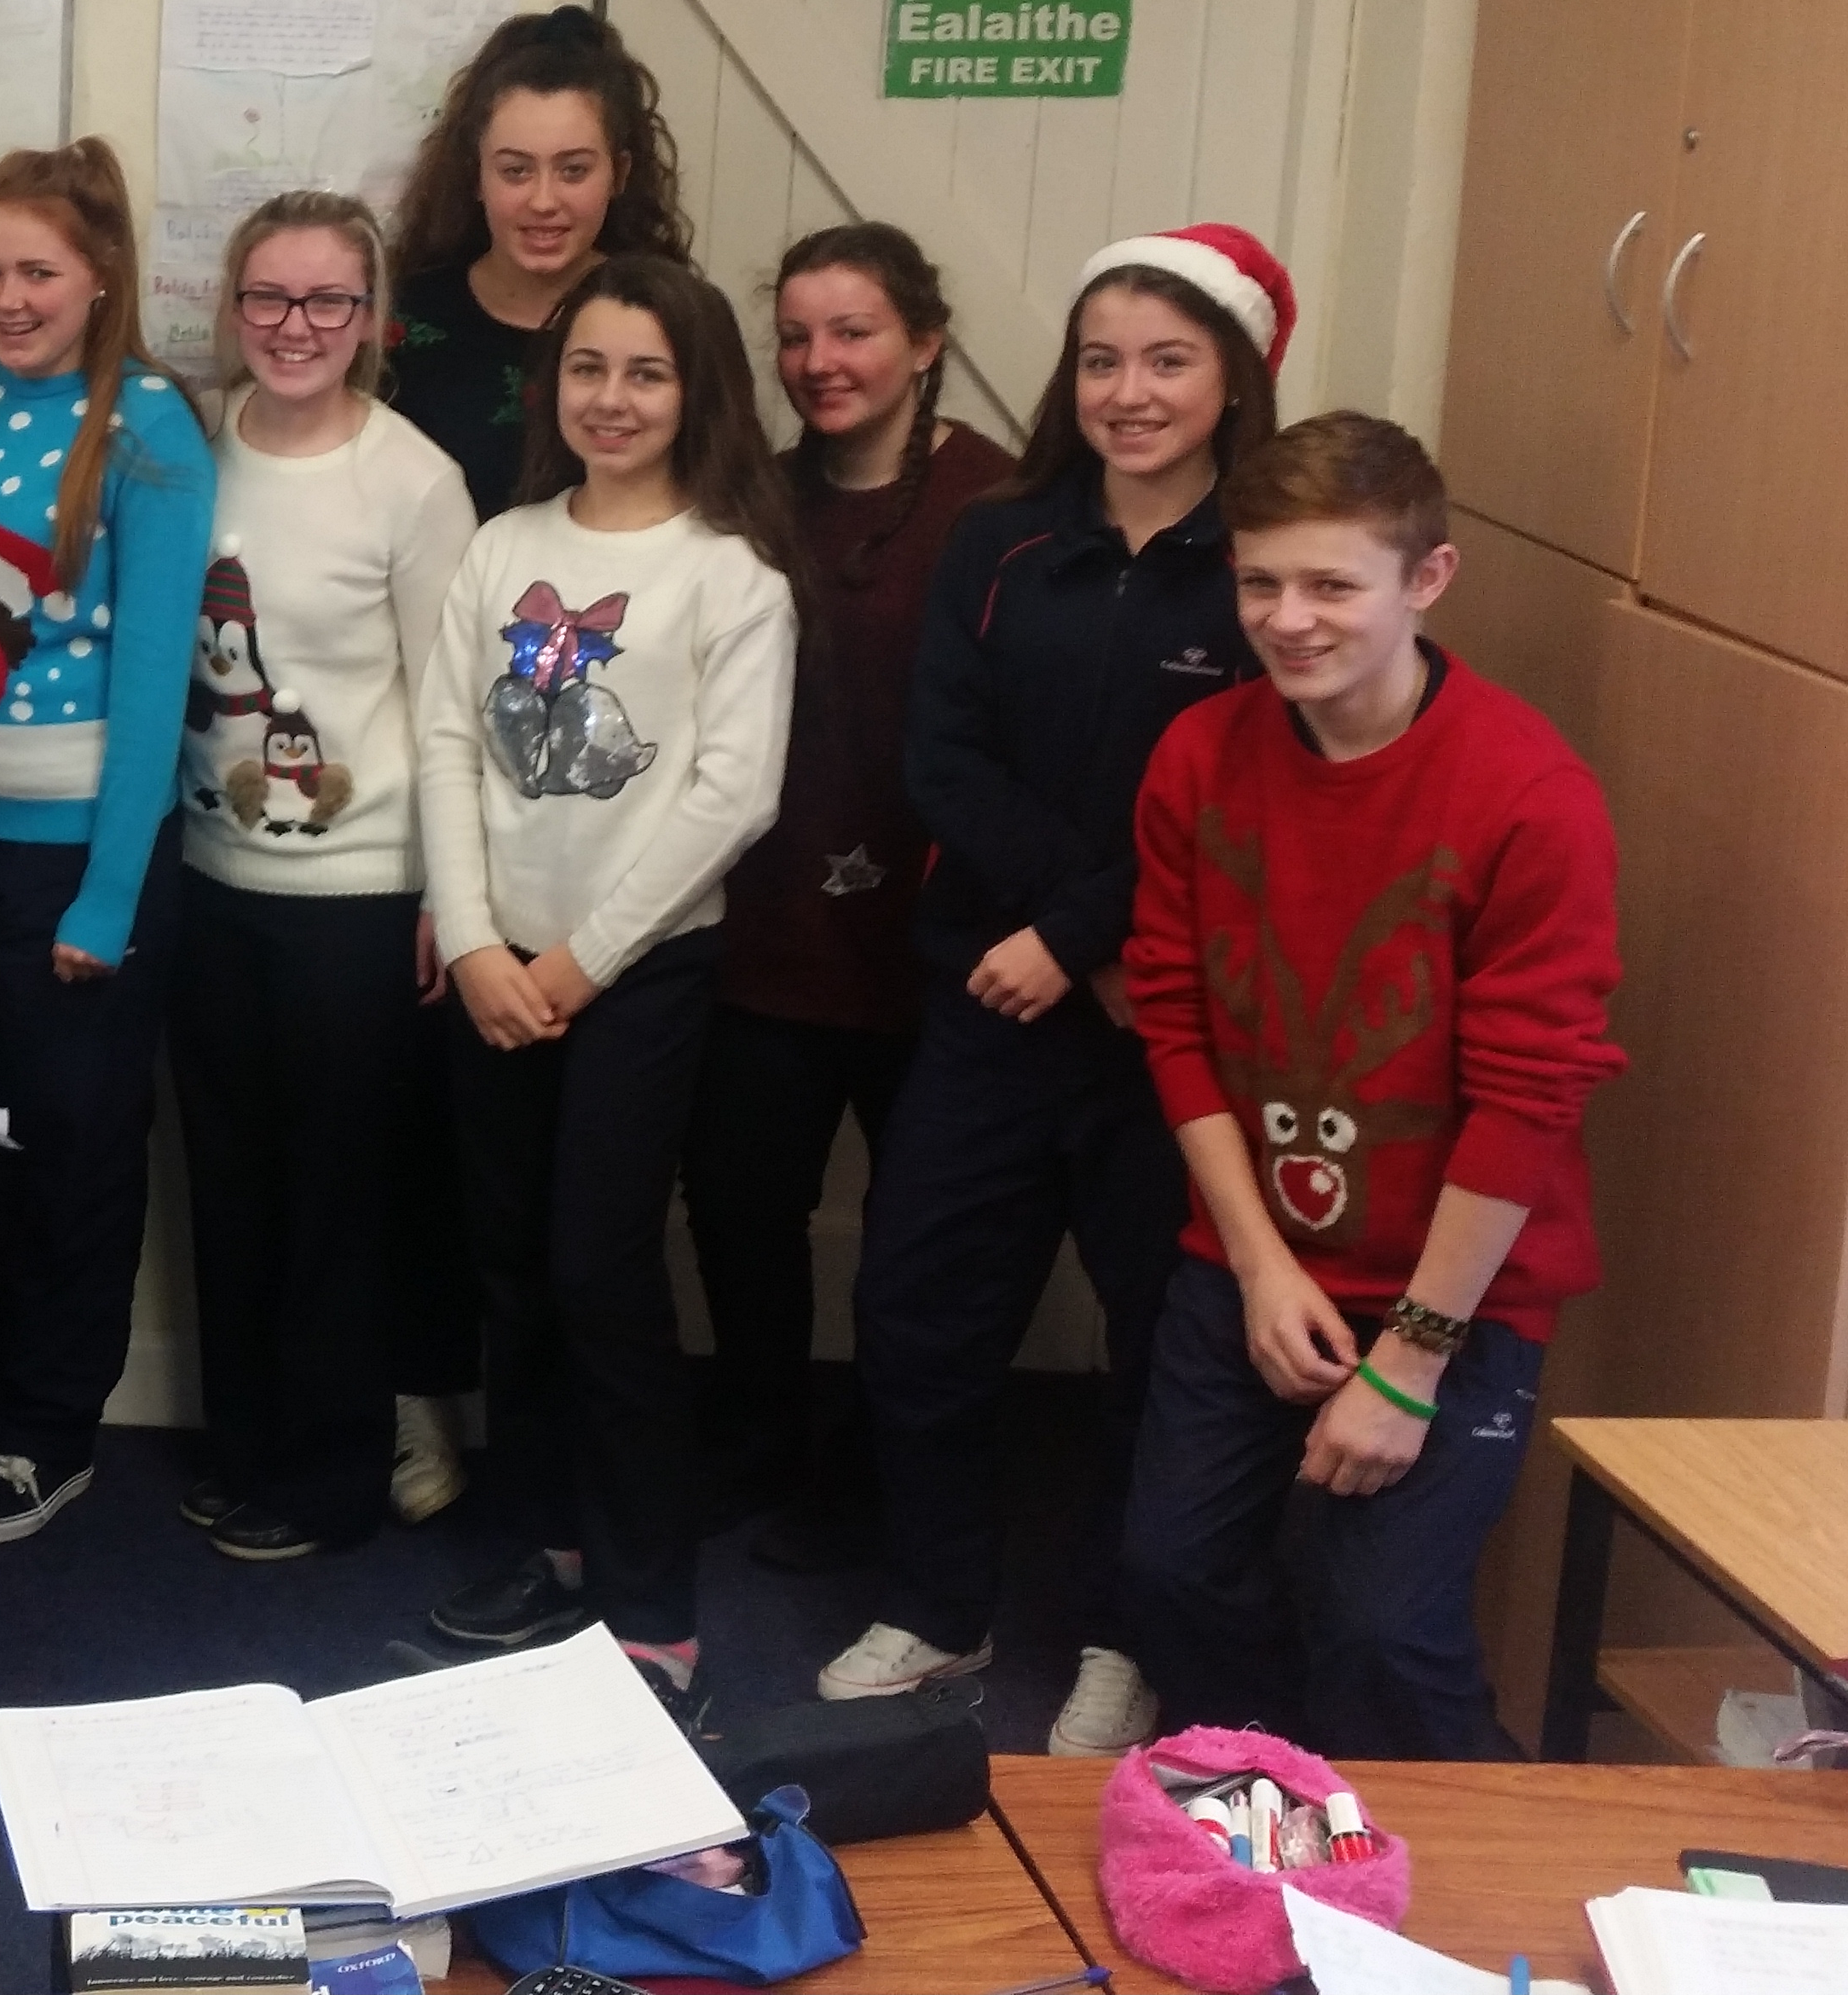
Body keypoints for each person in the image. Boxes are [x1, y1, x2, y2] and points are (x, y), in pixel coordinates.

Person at [824, 224, 1292, 1758]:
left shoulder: (1265, 565)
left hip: (1168, 1026)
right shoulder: (1002, 539)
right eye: (1101, 360)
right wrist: (1059, 933)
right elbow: (942, 758)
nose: (1128, 392)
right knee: (915, 1305)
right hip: (996, 993)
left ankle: (1122, 1640)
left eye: (1167, 361)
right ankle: (939, 1603)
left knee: (1157, 1341)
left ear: (1234, 380)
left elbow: (1239, 801)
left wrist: (1088, 936)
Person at [1120, 413, 1618, 1758]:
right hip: (1259, 1254)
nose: (1288, 620)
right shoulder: (1198, 756)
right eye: (1260, 582)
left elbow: (1530, 1098)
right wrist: (1256, 1265)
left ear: (1427, 579)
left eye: (1332, 584)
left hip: (1457, 1288)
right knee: (1171, 1576)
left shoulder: (1530, 792)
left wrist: (1410, 1363)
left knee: (1382, 1629)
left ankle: (1475, 1857)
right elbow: (1174, 1020)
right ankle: (1272, 1817)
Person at [412, 255, 795, 1715]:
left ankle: (650, 1612)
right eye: (587, 368)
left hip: (634, 975)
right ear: (551, 385)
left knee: (600, 1273)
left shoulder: (729, 574)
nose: (612, 398)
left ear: (696, 391)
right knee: (511, 1268)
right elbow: (448, 742)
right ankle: (551, 1542)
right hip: (496, 965)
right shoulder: (503, 544)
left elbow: (731, 797)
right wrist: (471, 939)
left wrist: (576, 963)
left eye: (645, 372)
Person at [0, 138, 217, 1546]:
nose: (9, 298)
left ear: (100, 278)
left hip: (78, 858)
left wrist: (106, 895)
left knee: (75, 1146)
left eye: (38, 270)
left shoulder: (148, 427)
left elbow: (153, 684)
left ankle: (49, 1428)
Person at [679, 224, 1011, 1541]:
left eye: (854, 332)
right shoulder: (750, 503)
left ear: (925, 341)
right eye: (798, 337)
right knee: (741, 1211)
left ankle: (884, 1477)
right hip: (767, 932)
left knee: (918, 1245)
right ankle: (762, 1447)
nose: (821, 361)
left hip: (938, 944)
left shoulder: (1001, 508)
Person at [163, 189, 476, 1563]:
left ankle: (333, 1479)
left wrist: (451, 898)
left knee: (337, 1204)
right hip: (208, 878)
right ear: (233, 308)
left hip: (359, 899)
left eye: (327, 301)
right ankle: (248, 1453)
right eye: (269, 298)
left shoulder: (413, 481)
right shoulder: (192, 451)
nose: (295, 326)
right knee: (230, 1186)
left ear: (370, 320)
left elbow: (454, 709)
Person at [380, 7, 695, 518]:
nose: (543, 201)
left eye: (573, 171)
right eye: (515, 171)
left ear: (619, 174)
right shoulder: (399, 321)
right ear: (476, 176)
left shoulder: (673, 320)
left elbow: (720, 493)